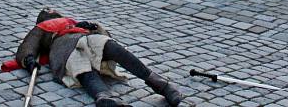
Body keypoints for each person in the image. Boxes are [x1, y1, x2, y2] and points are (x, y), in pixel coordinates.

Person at [11, 9, 182, 107]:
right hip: (63, 47)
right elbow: (27, 46)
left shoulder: (72, 22)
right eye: (46, 11)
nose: (50, 10)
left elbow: (106, 33)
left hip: (87, 38)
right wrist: (29, 60)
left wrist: (91, 27)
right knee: (80, 65)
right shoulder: (42, 28)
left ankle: (161, 84)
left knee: (112, 46)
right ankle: (105, 97)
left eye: (51, 9)